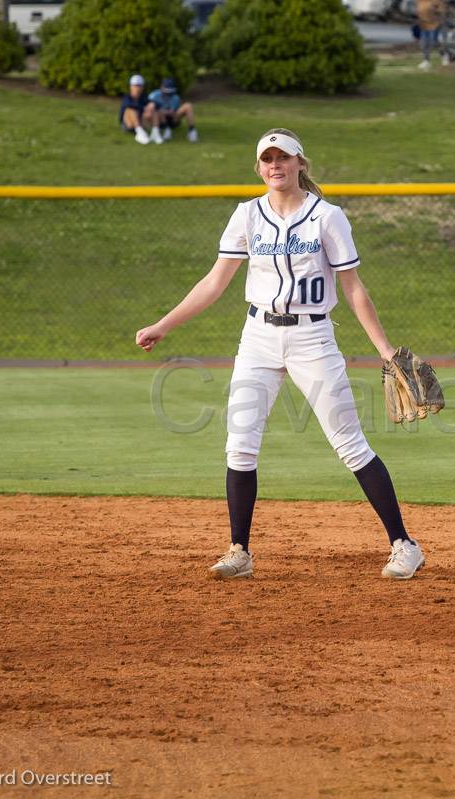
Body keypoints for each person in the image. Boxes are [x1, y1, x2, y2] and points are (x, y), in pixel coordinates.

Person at [134, 129, 426, 581]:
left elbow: (353, 288)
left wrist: (386, 351)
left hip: (313, 339)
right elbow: (215, 282)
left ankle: (404, 545)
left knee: (349, 444)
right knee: (240, 443)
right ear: (259, 168)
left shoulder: (327, 217)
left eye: (283, 157)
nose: (276, 165)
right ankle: (239, 551)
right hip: (258, 337)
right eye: (267, 159)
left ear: (300, 164)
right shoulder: (246, 215)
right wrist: (163, 325)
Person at [146, 77, 198, 143]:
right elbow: (149, 110)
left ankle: (192, 130)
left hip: (173, 119)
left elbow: (173, 111)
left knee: (188, 105)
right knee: (156, 110)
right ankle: (163, 130)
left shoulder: (176, 97)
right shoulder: (153, 96)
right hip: (159, 120)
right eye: (166, 92)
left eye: (170, 92)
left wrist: (169, 112)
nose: (168, 94)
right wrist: (162, 111)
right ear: (161, 88)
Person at [119, 74, 156, 145]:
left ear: (142, 87)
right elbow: (128, 105)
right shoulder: (127, 97)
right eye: (135, 86)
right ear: (131, 86)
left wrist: (152, 104)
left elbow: (153, 104)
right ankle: (140, 132)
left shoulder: (144, 97)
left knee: (152, 110)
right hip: (128, 125)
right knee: (130, 110)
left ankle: (155, 132)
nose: (137, 88)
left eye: (139, 86)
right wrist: (143, 107)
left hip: (142, 122)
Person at [416, 0, 445, 69]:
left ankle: (444, 55)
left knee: (434, 42)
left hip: (434, 23)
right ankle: (426, 61)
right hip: (424, 24)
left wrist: (436, 12)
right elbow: (419, 10)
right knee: (424, 43)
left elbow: (441, 10)